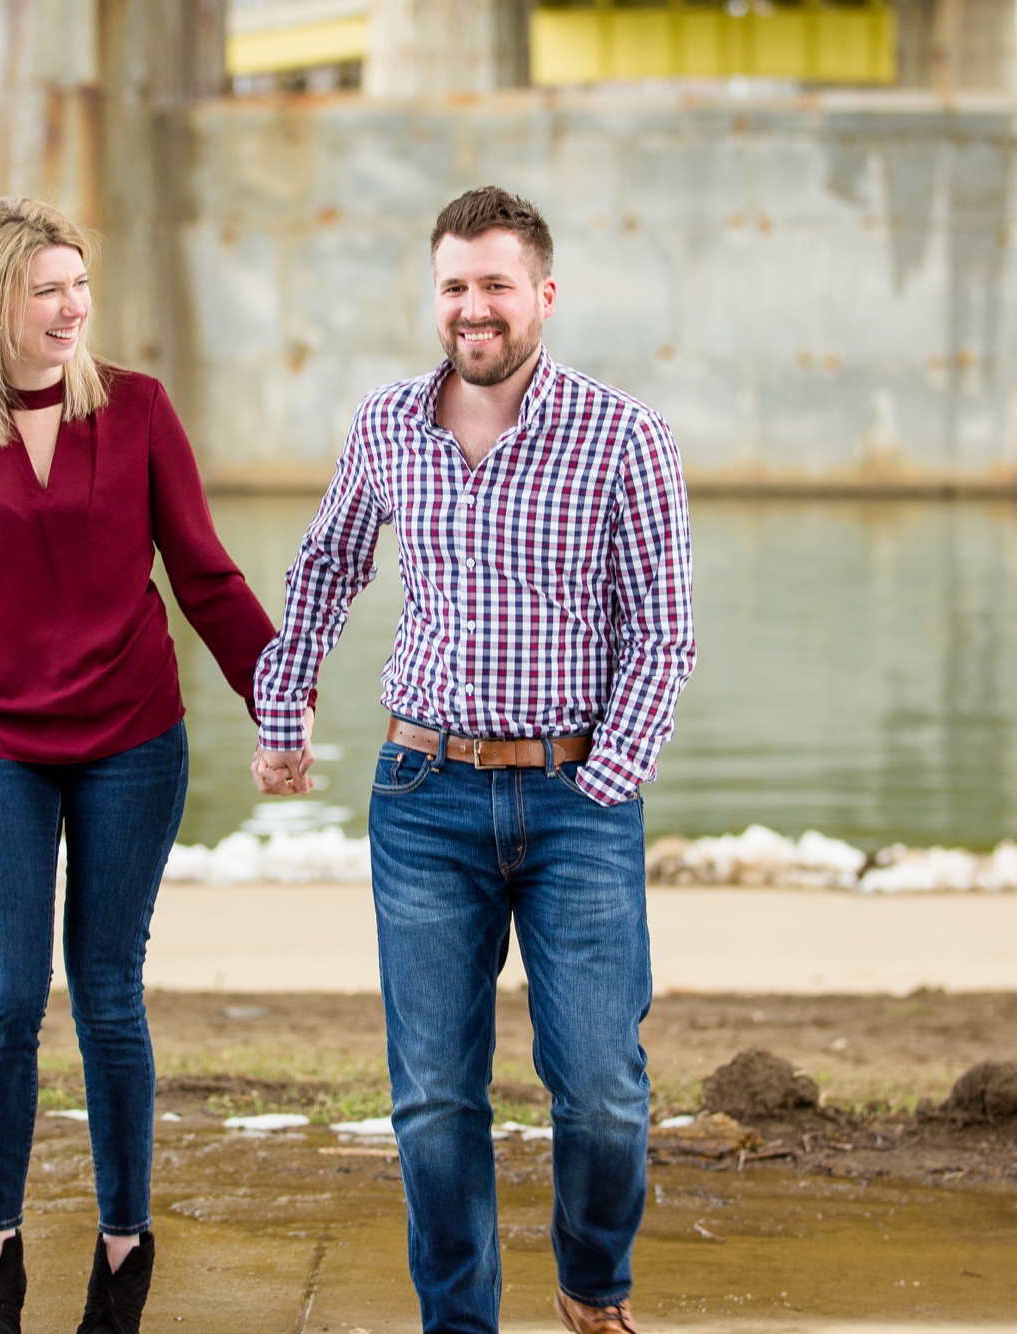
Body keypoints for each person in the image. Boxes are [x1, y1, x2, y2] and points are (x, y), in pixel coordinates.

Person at [0, 196, 282, 1334]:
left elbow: (204, 574)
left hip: (132, 737)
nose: (72, 305)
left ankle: (123, 1246)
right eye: (48, 288)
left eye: (80, 284)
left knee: (108, 994)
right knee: (6, 997)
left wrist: (277, 698)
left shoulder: (136, 410)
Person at [251, 186, 695, 1334]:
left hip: (575, 797)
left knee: (599, 1088)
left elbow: (663, 629)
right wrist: (282, 702)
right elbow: (326, 565)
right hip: (423, 795)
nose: (472, 307)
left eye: (495, 283)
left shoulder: (623, 435)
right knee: (434, 1097)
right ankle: (460, 1322)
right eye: (453, 285)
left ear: (542, 294)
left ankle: (591, 1286)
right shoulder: (389, 424)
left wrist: (606, 776)